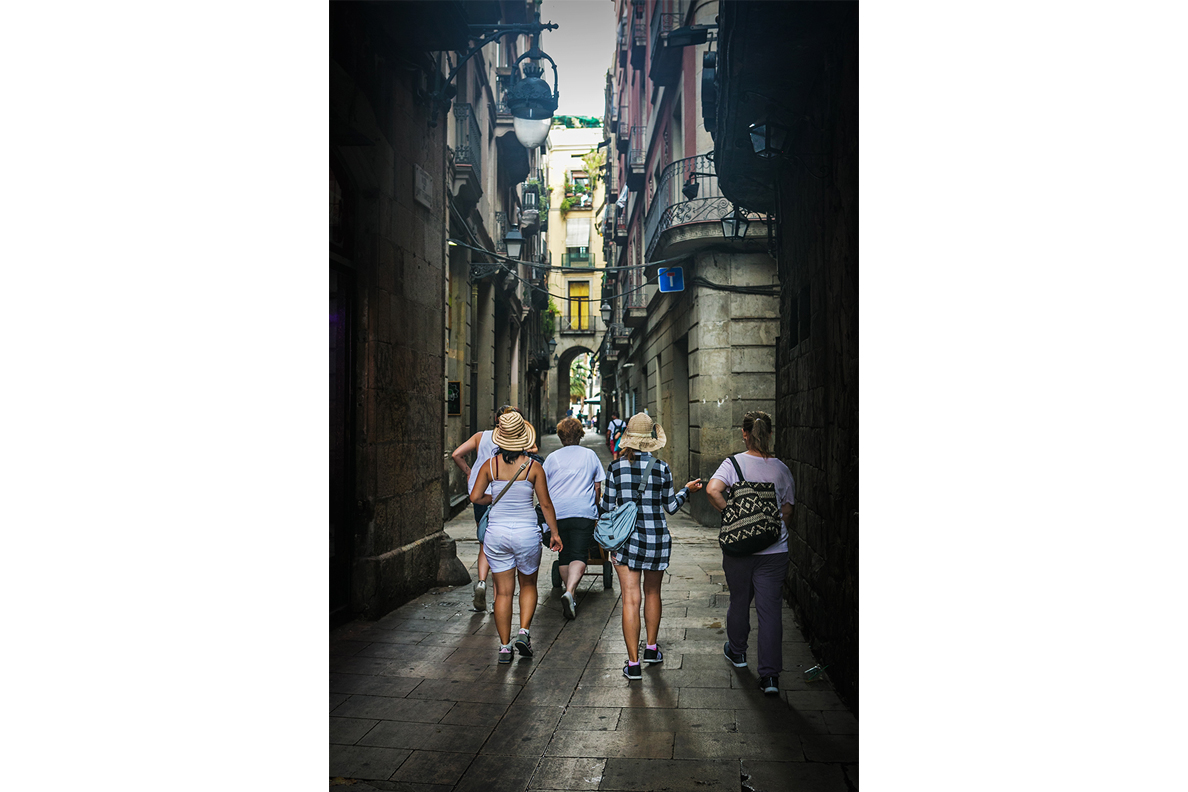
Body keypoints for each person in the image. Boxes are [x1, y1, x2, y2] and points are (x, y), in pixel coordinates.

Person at [601, 412, 702, 680]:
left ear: (628, 438)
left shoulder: (615, 468)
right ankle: (651, 649)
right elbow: (671, 507)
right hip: (656, 539)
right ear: (650, 439)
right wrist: (686, 491)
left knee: (630, 598)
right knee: (653, 592)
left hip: (625, 541)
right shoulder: (661, 468)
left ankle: (633, 664)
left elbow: (606, 507)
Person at [704, 411, 794, 696]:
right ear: (770, 434)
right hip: (774, 551)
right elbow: (787, 509)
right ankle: (770, 677)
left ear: (744, 434)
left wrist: (732, 515)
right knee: (770, 612)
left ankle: (738, 652)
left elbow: (712, 490)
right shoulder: (781, 469)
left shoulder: (733, 464)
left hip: (739, 549)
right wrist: (771, 529)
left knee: (739, 600)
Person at [470, 412, 563, 664]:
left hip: (496, 534)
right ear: (523, 438)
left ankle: (504, 647)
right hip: (526, 534)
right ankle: (523, 632)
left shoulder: (489, 466)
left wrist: (494, 497)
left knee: (503, 593)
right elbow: (546, 504)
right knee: (528, 585)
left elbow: (475, 497)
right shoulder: (534, 467)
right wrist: (554, 533)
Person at [450, 405, 517, 610]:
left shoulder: (481, 436)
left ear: (496, 419)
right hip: (503, 492)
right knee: (500, 544)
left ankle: (481, 582)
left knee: (484, 541)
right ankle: (498, 599)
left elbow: (456, 454)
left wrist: (469, 472)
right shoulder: (514, 440)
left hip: (479, 494)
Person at [543, 417, 605, 620]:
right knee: (579, 553)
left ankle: (570, 593)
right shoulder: (590, 455)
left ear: (561, 436)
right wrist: (595, 504)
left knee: (564, 555)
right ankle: (570, 591)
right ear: (580, 435)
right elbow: (597, 487)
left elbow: (543, 488)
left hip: (558, 513)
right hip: (583, 511)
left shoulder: (552, 458)